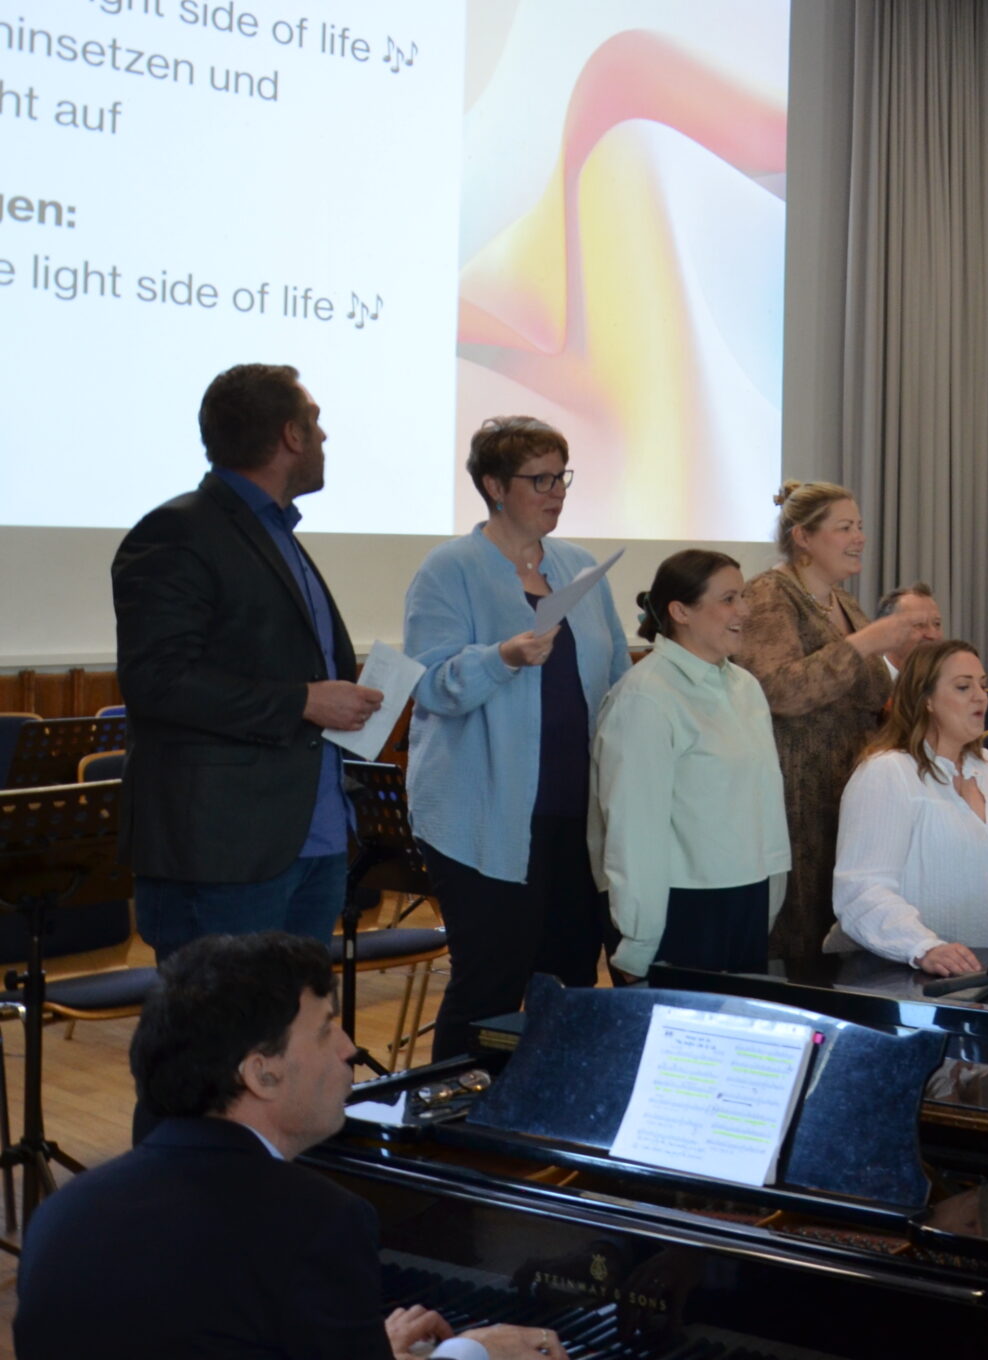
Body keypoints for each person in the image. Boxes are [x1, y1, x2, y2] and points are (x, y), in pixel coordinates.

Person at [13, 932, 557, 1360]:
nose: (349, 1048)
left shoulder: (62, 1213)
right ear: (262, 1073)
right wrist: (470, 1351)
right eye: (326, 1030)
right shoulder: (316, 1222)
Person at [112, 364, 382, 952]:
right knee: (221, 1013)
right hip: (225, 854)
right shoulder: (176, 531)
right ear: (291, 434)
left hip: (313, 837)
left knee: (296, 1012)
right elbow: (156, 681)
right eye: (315, 421)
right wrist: (303, 701)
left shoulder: (278, 534)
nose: (325, 436)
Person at [404, 417, 630, 1061]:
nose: (557, 492)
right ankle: (458, 1110)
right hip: (483, 817)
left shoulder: (578, 565)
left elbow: (616, 674)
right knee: (490, 985)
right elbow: (430, 684)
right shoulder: (450, 568)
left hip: (574, 813)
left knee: (571, 979)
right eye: (540, 480)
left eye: (562, 477)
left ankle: (549, 1109)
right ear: (495, 486)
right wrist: (500, 658)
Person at [736, 483, 933, 962]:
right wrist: (865, 643)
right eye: (844, 527)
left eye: (859, 526)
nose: (859, 537)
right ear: (803, 537)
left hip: (853, 789)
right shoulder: (769, 595)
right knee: (804, 930)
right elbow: (778, 689)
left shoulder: (845, 603)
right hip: (799, 796)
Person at [590, 550, 790, 978]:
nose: (744, 611)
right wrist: (639, 939)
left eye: (742, 597)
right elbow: (633, 831)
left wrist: (770, 897)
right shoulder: (646, 698)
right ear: (680, 611)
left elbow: (765, 801)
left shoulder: (744, 686)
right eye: (729, 599)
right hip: (680, 906)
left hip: (747, 899)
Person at [830, 640, 988, 974]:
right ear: (926, 699)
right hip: (902, 972)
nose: (981, 697)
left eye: (982, 684)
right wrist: (923, 947)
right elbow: (862, 890)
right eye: (963, 687)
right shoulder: (887, 772)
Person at [879, 581, 988, 729]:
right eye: (919, 625)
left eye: (937, 624)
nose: (933, 635)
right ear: (886, 630)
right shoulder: (869, 691)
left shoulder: (961, 694)